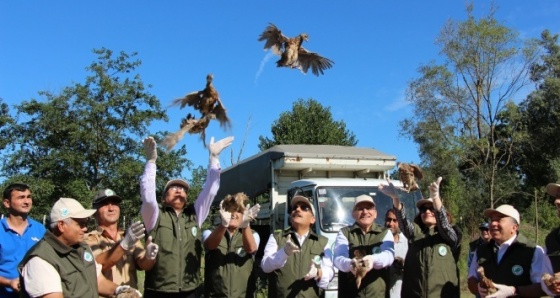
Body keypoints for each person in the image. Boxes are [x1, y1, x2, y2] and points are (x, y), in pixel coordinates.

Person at [140, 135, 233, 298]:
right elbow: (148, 197)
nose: (179, 190)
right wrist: (151, 162)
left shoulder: (195, 215)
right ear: (163, 198)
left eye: (183, 189)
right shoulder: (155, 215)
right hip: (159, 291)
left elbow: (210, 191)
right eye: (173, 187)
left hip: (191, 291)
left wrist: (214, 159)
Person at [19, 197, 140, 298]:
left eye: (86, 223)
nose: (85, 228)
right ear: (61, 225)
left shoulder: (81, 248)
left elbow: (98, 281)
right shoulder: (41, 260)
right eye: (80, 224)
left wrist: (119, 290)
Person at [379, 176, 462, 297]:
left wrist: (436, 199)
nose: (427, 211)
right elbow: (403, 221)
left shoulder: (451, 236)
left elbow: (444, 225)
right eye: (423, 209)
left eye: (432, 208)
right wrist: (395, 198)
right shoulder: (416, 234)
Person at [261, 195, 334, 298]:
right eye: (294, 208)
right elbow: (265, 266)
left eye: (304, 208)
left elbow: (330, 271)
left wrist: (318, 273)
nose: (297, 209)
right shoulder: (276, 237)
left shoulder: (322, 242)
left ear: (313, 219)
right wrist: (284, 253)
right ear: (290, 218)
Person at [467, 204, 546, 297]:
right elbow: (472, 279)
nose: (493, 223)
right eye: (492, 220)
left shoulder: (533, 251)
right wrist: (478, 287)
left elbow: (543, 287)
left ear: (514, 227)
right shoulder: (481, 250)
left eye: (499, 219)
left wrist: (514, 291)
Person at [86, 188, 159, 290]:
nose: (111, 208)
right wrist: (123, 245)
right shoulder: (90, 239)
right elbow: (97, 266)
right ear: (94, 212)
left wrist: (149, 257)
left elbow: (143, 265)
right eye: (105, 204)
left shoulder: (129, 235)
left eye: (114, 203)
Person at [333, 194, 394, 297]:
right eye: (360, 208)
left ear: (375, 213)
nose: (365, 212)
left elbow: (388, 255)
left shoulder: (385, 233)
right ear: (353, 214)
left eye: (369, 208)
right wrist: (350, 264)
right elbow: (338, 258)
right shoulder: (344, 233)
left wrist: (372, 260)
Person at [201, 193, 261, 297]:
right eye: (229, 210)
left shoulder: (253, 234)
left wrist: (245, 226)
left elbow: (251, 249)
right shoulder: (210, 232)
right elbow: (210, 245)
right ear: (222, 212)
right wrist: (223, 225)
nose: (233, 214)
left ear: (244, 214)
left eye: (238, 211)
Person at [0, 183, 46, 298]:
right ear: (7, 203)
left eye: (28, 197)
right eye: (21, 197)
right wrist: (9, 282)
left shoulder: (40, 229)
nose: (27, 201)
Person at [540, 182, 560, 296]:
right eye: (557, 197)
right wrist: (549, 284)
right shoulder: (552, 238)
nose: (556, 201)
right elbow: (545, 274)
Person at [384, 208, 408, 298]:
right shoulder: (377, 242)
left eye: (395, 220)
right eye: (388, 220)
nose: (391, 224)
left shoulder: (407, 243)